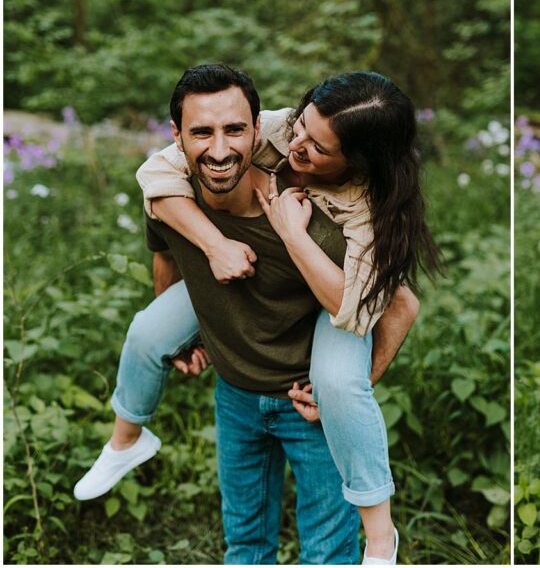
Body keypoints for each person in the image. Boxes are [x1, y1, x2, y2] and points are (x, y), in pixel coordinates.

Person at [74, 66, 440, 565]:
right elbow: (157, 179)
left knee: (336, 386)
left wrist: (291, 234)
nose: (298, 145)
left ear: (358, 162)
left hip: (323, 335)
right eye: (302, 125)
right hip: (241, 383)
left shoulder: (366, 210)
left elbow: (370, 307)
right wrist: (215, 245)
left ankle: (380, 536)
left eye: (318, 147)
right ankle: (126, 439)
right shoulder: (270, 131)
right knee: (148, 328)